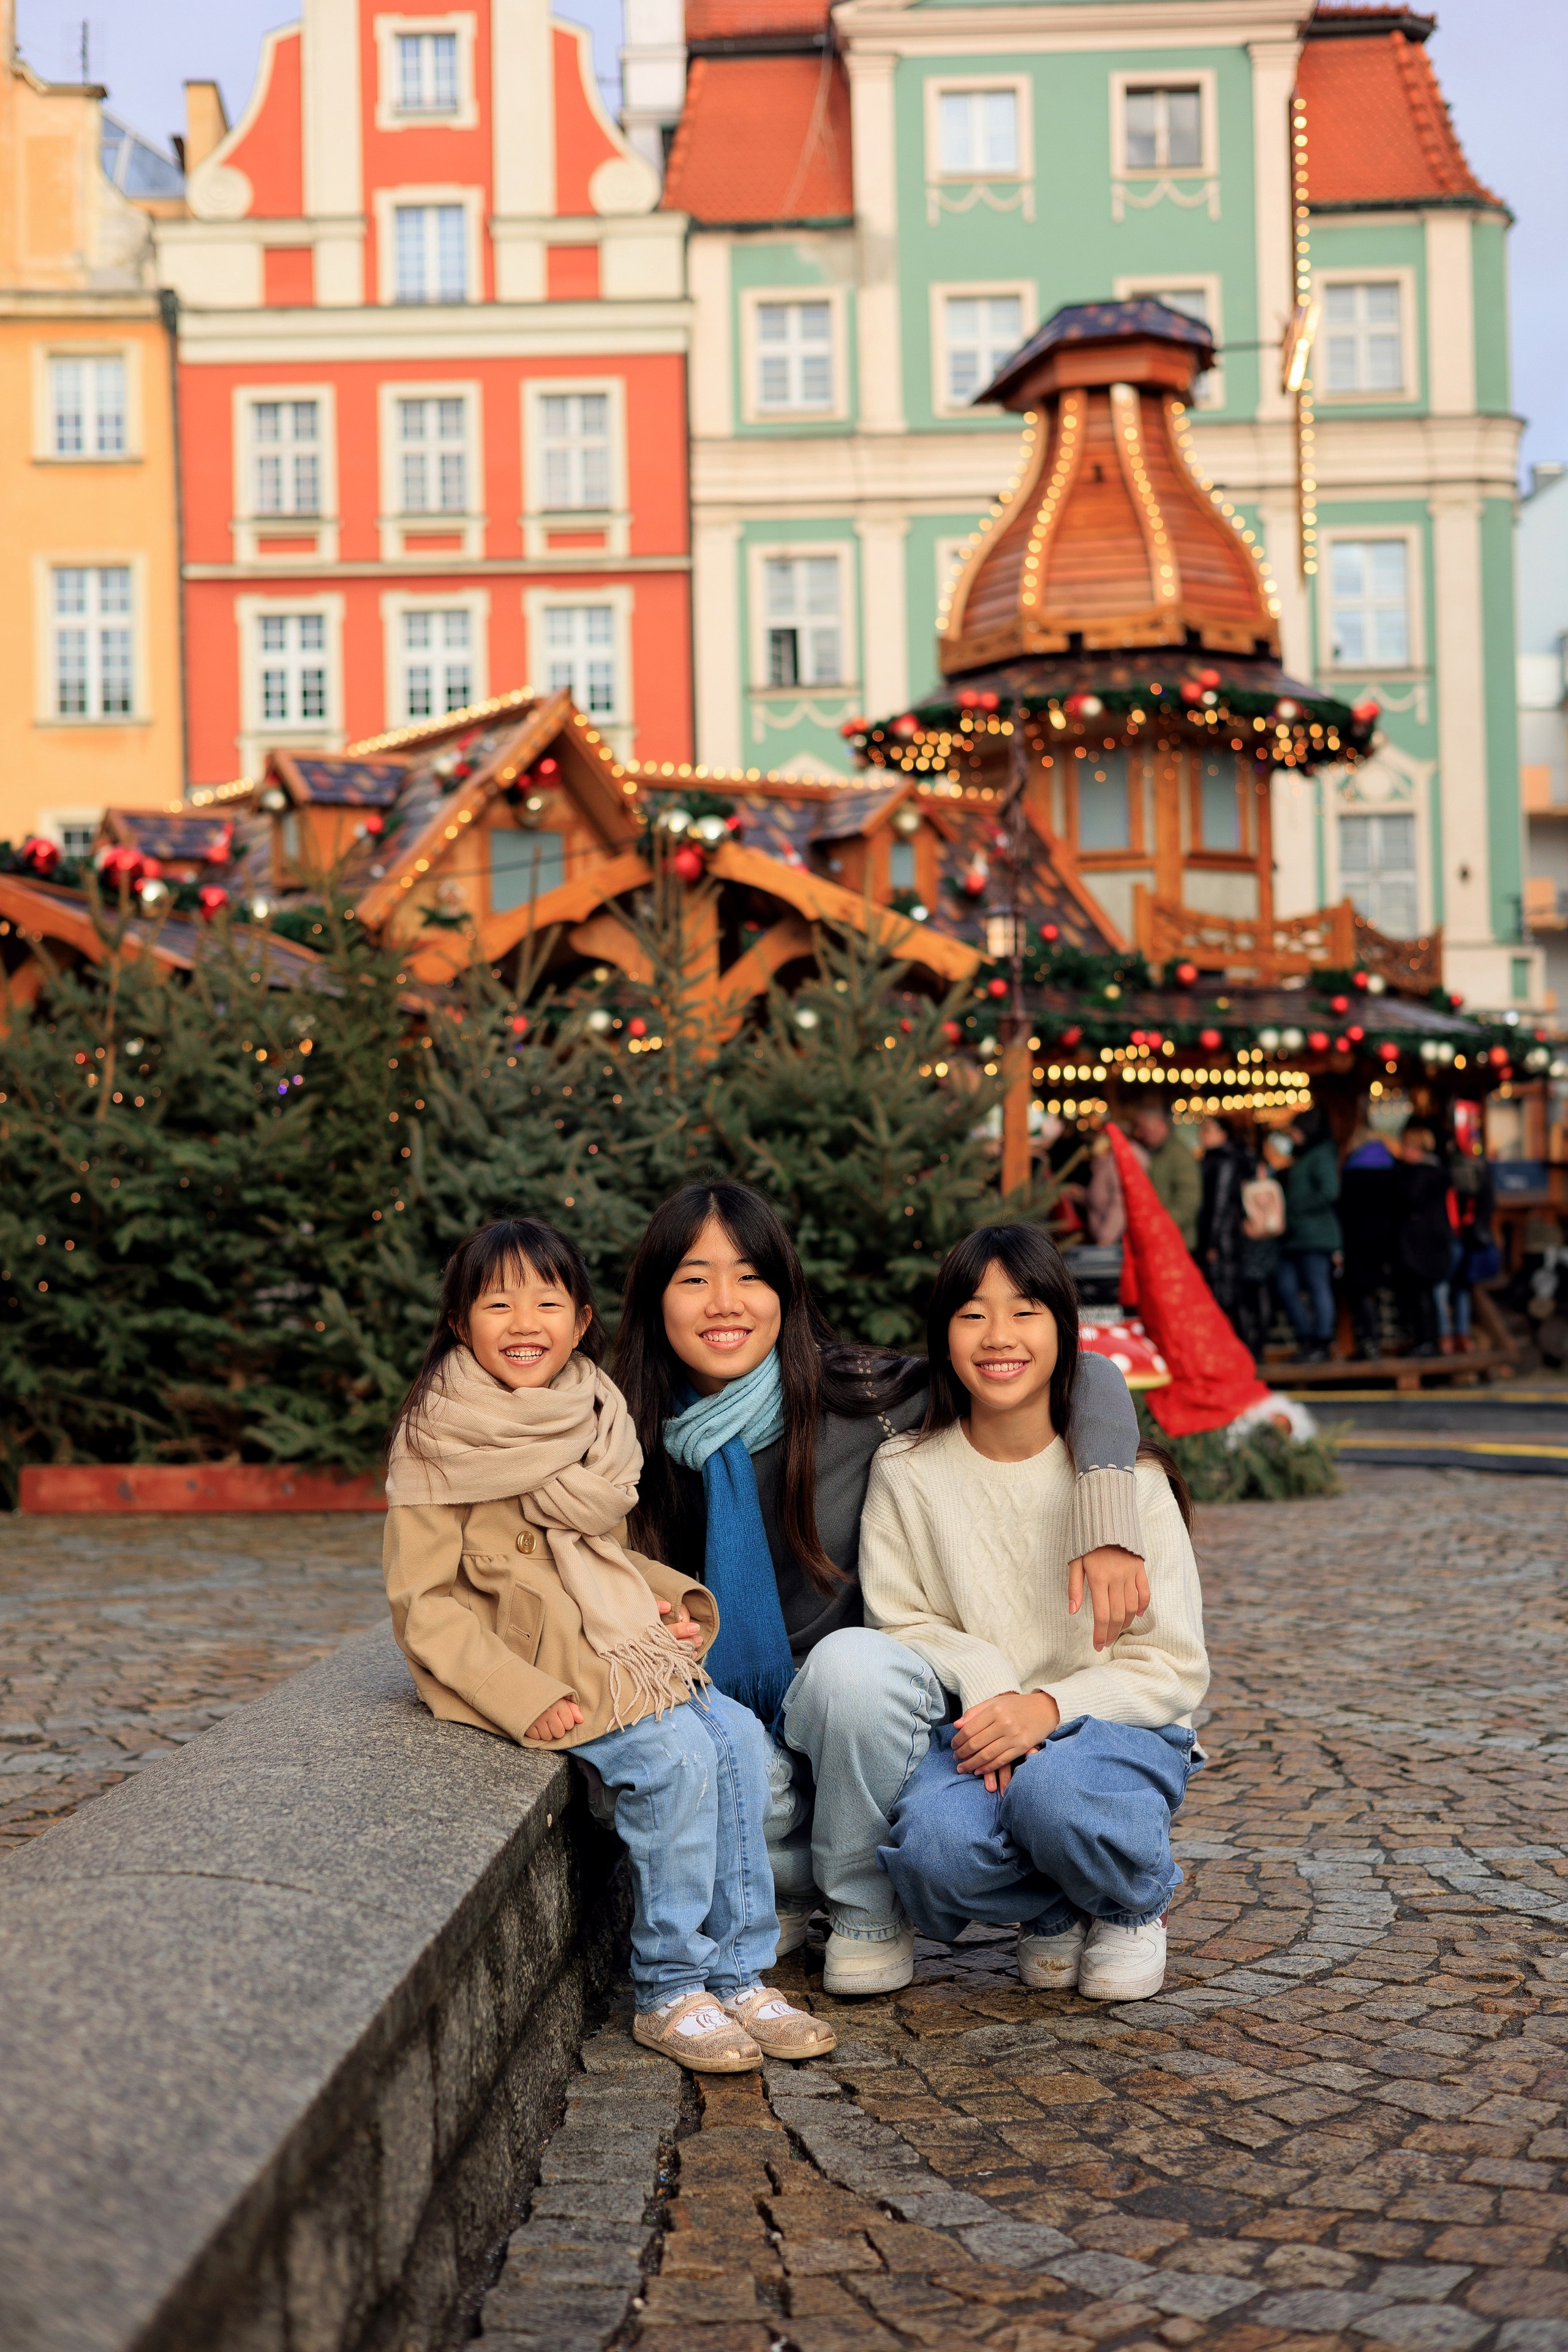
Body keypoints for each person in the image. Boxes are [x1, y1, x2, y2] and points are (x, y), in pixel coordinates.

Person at [612, 1182, 1147, 1998]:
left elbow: (1080, 1371)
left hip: (857, 1723)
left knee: (852, 1673)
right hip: (720, 1716)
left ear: (785, 1292)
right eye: (693, 1278)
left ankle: (862, 1904)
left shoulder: (854, 1399)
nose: (724, 1303)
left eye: (749, 1276)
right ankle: (784, 1884)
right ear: (655, 1297)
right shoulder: (622, 1429)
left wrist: (1106, 1513)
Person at [381, 1216, 834, 2073]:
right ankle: (668, 1987)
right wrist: (522, 1694)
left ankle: (738, 1971)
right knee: (673, 1761)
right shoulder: (440, 1434)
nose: (525, 1324)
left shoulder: (595, 1413)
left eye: (547, 1303)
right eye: (497, 1304)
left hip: (608, 1643)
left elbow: (608, 1559)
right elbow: (425, 1605)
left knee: (734, 1735)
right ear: (457, 1323)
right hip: (536, 1666)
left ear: (582, 1320)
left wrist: (669, 1607)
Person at [862, 1224, 1207, 2004]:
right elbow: (899, 1618)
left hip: (1117, 1731)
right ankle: (1056, 1902)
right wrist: (995, 1691)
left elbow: (1177, 1669)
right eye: (971, 1314)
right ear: (942, 1334)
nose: (997, 1338)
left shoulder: (1129, 1487)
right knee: (930, 1855)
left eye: (1024, 1312)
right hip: (984, 1731)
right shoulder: (907, 1471)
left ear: (1063, 1329)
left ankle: (1131, 1901)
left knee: (1054, 1795)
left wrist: (1049, 1707)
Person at [1275, 1105, 1341, 1362]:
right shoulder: (1301, 1155)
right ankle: (1305, 1338)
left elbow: (1329, 1191)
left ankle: (1321, 1342)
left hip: (1316, 1236)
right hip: (1295, 1236)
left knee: (1318, 1288)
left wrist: (1295, 1206)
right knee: (1286, 1286)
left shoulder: (1321, 1155)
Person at [1339, 1123, 1400, 1361]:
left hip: (1358, 1239)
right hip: (1385, 1239)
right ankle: (1376, 1342)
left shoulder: (1354, 1169)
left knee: (1360, 1292)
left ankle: (1369, 1343)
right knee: (1376, 1292)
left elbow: (1346, 1209)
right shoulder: (1391, 1166)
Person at [1394, 1125, 1455, 1359]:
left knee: (1424, 1295)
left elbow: (1409, 1198)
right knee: (1426, 1295)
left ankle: (1427, 1342)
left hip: (1424, 1244)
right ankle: (1426, 1341)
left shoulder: (1423, 1173)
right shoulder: (1436, 1170)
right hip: (1429, 1242)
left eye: (1406, 1146)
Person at [1237, 1129, 1288, 1366]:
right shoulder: (1273, 1186)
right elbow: (1279, 1223)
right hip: (1268, 1243)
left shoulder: (1243, 1187)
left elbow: (1245, 1222)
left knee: (1248, 1298)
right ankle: (1260, 1346)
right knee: (1264, 1295)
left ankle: (1251, 1347)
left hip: (1251, 1245)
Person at [1196, 1115, 1248, 1328]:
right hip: (1224, 1237)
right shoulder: (1214, 1159)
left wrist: (1212, 1242)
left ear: (1223, 1134)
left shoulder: (1224, 1161)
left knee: (1227, 1296)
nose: (1203, 1135)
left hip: (1223, 1239)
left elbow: (1219, 1204)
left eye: (1209, 1130)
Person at [1131, 1106, 1200, 1249]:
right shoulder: (1154, 1151)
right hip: (1159, 1238)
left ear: (1159, 1124)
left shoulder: (1178, 1154)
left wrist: (1157, 1224)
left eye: (1144, 1129)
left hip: (1176, 1241)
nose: (1140, 1134)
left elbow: (1188, 1201)